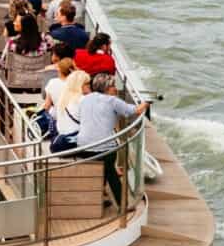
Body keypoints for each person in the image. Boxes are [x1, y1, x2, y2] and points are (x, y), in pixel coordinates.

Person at [74, 73, 150, 208]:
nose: (115, 88)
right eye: (113, 86)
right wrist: (146, 103)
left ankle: (99, 198)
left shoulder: (84, 99)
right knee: (111, 173)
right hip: (104, 149)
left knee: (104, 168)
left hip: (83, 146)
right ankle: (123, 206)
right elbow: (135, 110)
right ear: (107, 88)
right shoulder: (112, 101)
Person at [43, 65, 88, 150]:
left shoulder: (63, 98)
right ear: (80, 85)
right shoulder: (82, 100)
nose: (89, 86)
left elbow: (46, 106)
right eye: (87, 84)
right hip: (75, 142)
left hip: (63, 139)